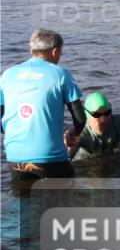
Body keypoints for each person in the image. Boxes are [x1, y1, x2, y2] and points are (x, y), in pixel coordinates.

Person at [0, 29, 85, 180]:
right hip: (50, 157)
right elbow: (80, 118)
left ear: (31, 49)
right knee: (67, 197)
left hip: (15, 156)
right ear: (55, 51)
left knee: (24, 199)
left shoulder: (7, 75)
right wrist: (74, 135)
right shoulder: (61, 74)